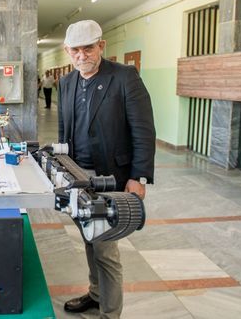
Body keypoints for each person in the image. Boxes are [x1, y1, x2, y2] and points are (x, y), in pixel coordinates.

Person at [58, 20, 155, 318]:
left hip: (110, 177)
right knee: (89, 238)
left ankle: (110, 313)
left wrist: (138, 177)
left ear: (101, 46)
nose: (82, 55)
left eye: (88, 48)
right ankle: (96, 294)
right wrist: (63, 169)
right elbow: (64, 131)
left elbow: (143, 130)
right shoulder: (67, 82)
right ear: (67, 50)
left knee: (105, 248)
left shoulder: (124, 77)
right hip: (77, 176)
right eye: (75, 50)